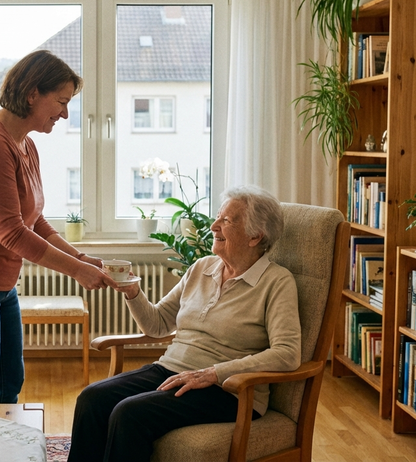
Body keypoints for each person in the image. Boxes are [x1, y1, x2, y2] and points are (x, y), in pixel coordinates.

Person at [0, 50, 115, 405]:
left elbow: (36, 221)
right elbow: (11, 232)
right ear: (33, 94)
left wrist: (81, 257)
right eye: (60, 102)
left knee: (11, 379)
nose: (65, 113)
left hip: (0, 284)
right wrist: (76, 271)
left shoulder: (25, 144)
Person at [67, 185, 301, 462]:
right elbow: (157, 325)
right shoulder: (202, 268)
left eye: (226, 221)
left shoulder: (276, 282)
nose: (214, 225)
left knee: (129, 413)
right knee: (92, 398)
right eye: (218, 216)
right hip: (170, 370)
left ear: (255, 236)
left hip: (227, 391)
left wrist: (215, 373)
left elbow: (288, 353)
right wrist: (133, 292)